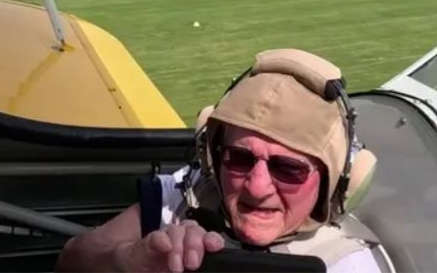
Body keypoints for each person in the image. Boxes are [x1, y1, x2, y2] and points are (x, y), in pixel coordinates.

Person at [55, 49, 388, 273]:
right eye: (239, 159)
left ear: (337, 181)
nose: (257, 188)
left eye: (288, 169)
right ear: (213, 157)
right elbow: (72, 259)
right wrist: (130, 260)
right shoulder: (183, 196)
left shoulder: (348, 264)